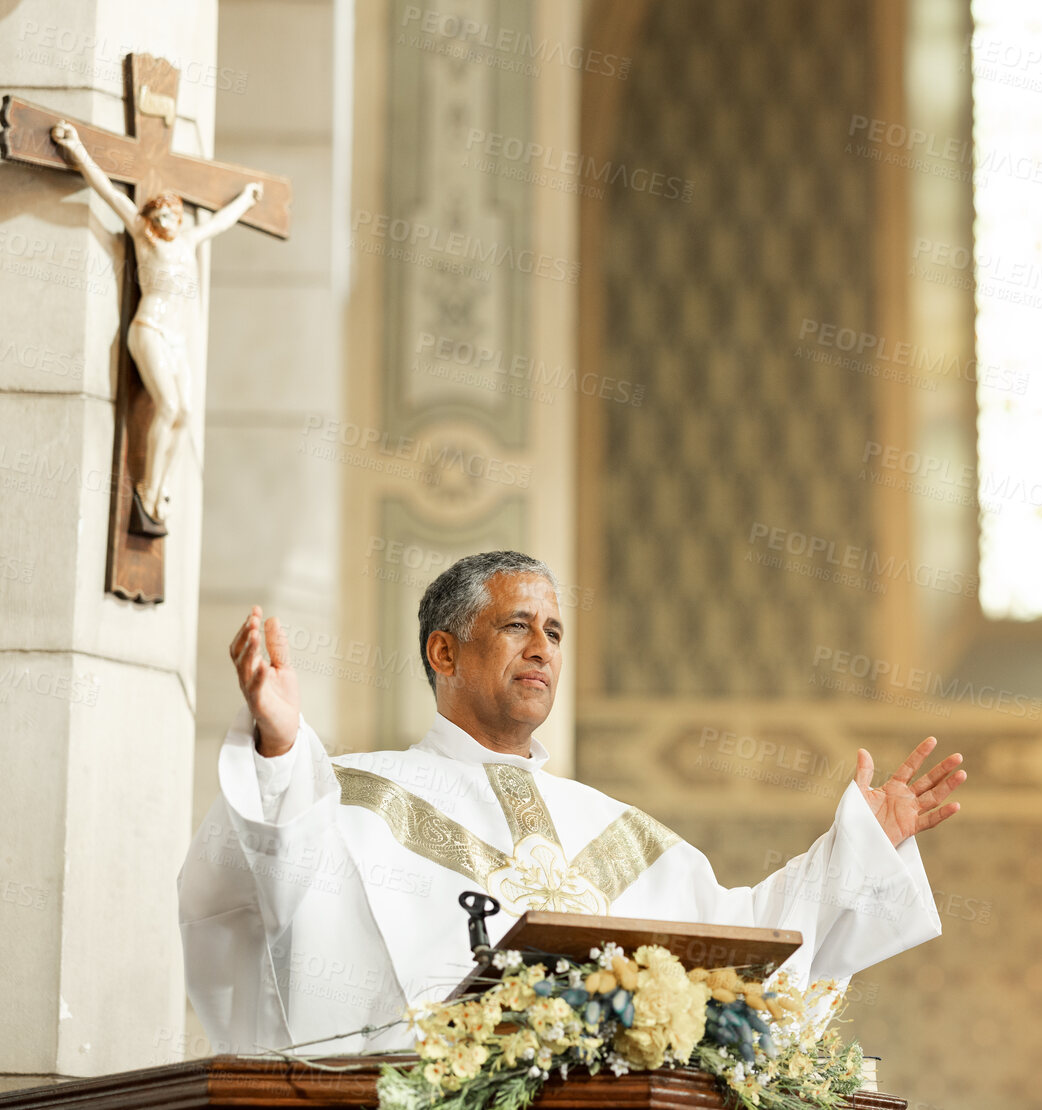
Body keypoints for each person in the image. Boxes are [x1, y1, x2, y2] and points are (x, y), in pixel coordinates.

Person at [178, 551, 966, 1053]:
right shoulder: (352, 792)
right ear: (443, 652)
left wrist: (863, 848)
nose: (542, 648)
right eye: (516, 625)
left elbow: (736, 944)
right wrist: (281, 747)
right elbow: (281, 891)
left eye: (554, 631)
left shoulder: (614, 829)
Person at [50, 120, 264, 535]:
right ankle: (147, 487)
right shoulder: (143, 236)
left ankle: (162, 489)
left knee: (184, 413)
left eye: (173, 213)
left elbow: (219, 224)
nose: (167, 218)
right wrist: (77, 149)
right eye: (160, 213)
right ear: (151, 217)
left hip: (177, 340)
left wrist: (246, 201)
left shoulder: (187, 242)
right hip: (148, 328)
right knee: (168, 405)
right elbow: (110, 191)